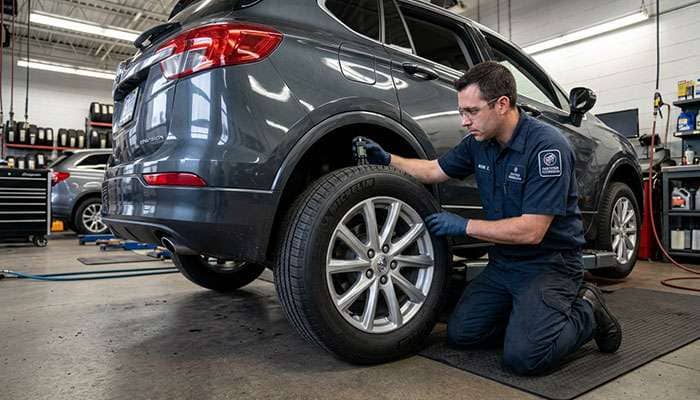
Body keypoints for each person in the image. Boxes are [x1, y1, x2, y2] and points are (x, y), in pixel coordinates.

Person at [354, 61, 621, 375]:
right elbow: (433, 170)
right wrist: (388, 159)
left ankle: (589, 308)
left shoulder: (547, 148)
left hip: (549, 265)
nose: (464, 121)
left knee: (524, 358)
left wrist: (464, 225)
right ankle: (530, 318)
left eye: (471, 111)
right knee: (461, 335)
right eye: (462, 112)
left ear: (502, 104)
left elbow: (532, 231)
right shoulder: (479, 144)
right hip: (504, 263)